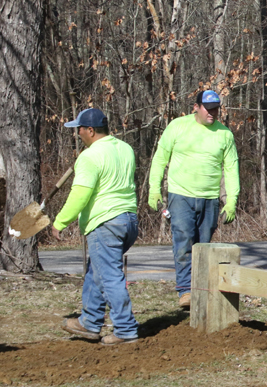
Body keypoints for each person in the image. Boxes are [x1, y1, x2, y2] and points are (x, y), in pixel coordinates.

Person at [53, 108, 140, 345]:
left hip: (105, 222)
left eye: (79, 129)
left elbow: (80, 194)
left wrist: (60, 221)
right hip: (129, 220)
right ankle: (89, 322)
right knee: (97, 271)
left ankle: (125, 329)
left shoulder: (90, 157)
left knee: (110, 276)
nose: (77, 133)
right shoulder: (125, 149)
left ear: (90, 130)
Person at [148, 89, 240, 309]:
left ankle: (201, 290)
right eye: (208, 109)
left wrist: (231, 200)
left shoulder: (224, 134)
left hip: (209, 198)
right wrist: (154, 188)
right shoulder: (177, 127)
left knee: (203, 246)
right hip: (180, 195)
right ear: (196, 107)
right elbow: (160, 158)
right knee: (184, 241)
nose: (212, 113)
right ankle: (186, 291)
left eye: (216, 109)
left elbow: (231, 168)